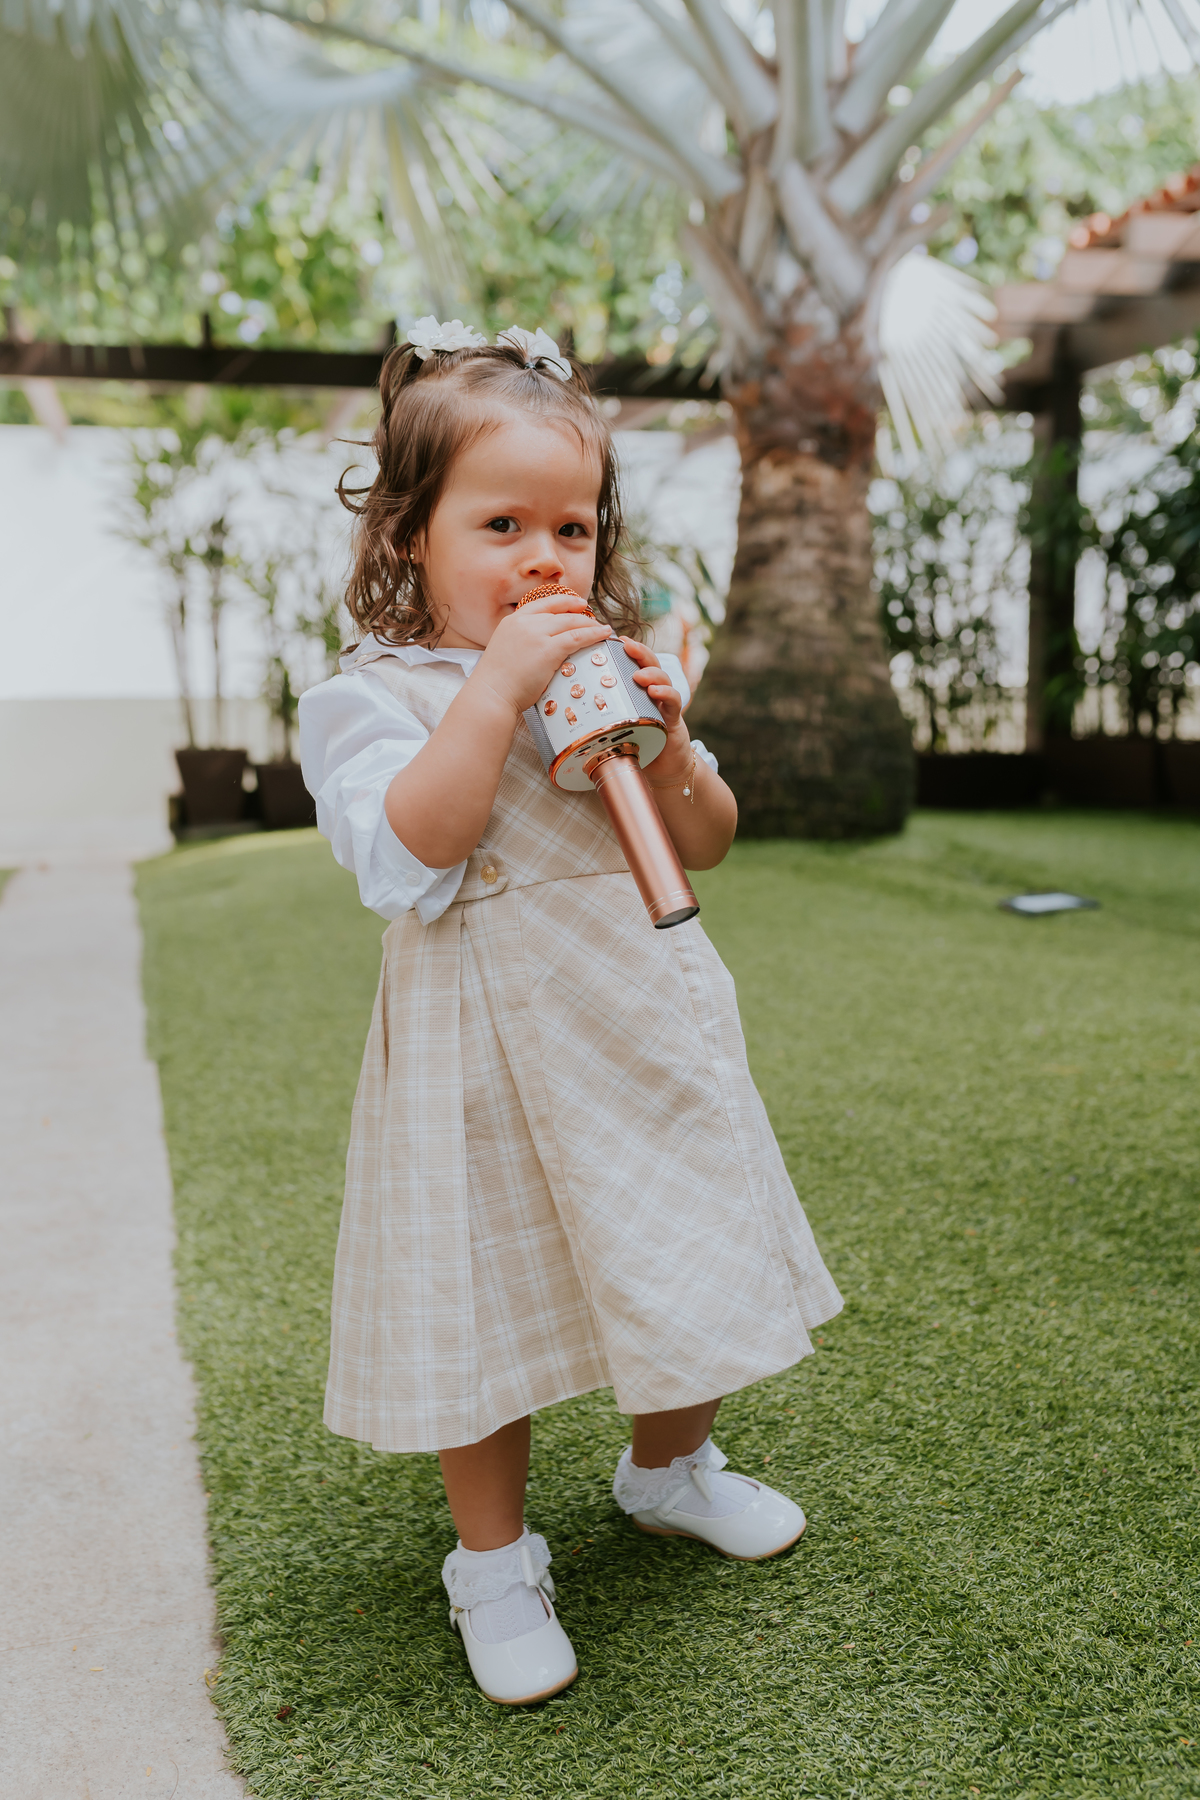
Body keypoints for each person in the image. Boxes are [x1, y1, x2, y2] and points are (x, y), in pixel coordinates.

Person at [298, 318, 843, 1707]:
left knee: (696, 1242)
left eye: (575, 527)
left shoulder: (603, 663)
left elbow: (704, 838)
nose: (549, 558)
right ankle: (491, 1560)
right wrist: (494, 690)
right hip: (480, 1049)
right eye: (503, 525)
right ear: (412, 535)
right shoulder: (376, 699)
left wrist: (667, 742)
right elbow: (407, 853)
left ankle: (669, 1467)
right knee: (488, 1302)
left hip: (641, 1021)